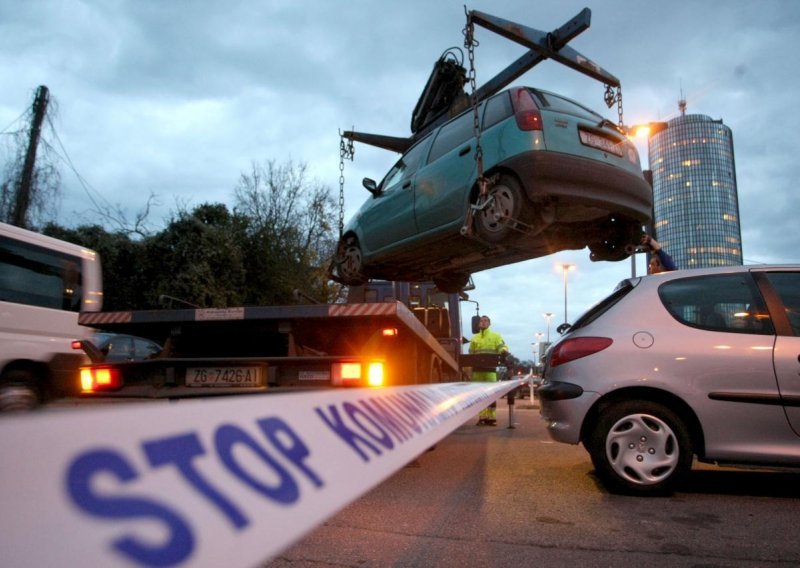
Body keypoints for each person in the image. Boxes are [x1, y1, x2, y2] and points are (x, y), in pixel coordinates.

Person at [469, 315, 509, 426]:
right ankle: (482, 417)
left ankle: (491, 418)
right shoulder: (474, 338)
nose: (483, 322)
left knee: (491, 395)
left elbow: (502, 346)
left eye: (486, 321)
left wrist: (504, 351)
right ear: (478, 324)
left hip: (490, 371)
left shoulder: (496, 336)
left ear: (489, 324)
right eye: (481, 320)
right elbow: (471, 353)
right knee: (479, 396)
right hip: (477, 371)